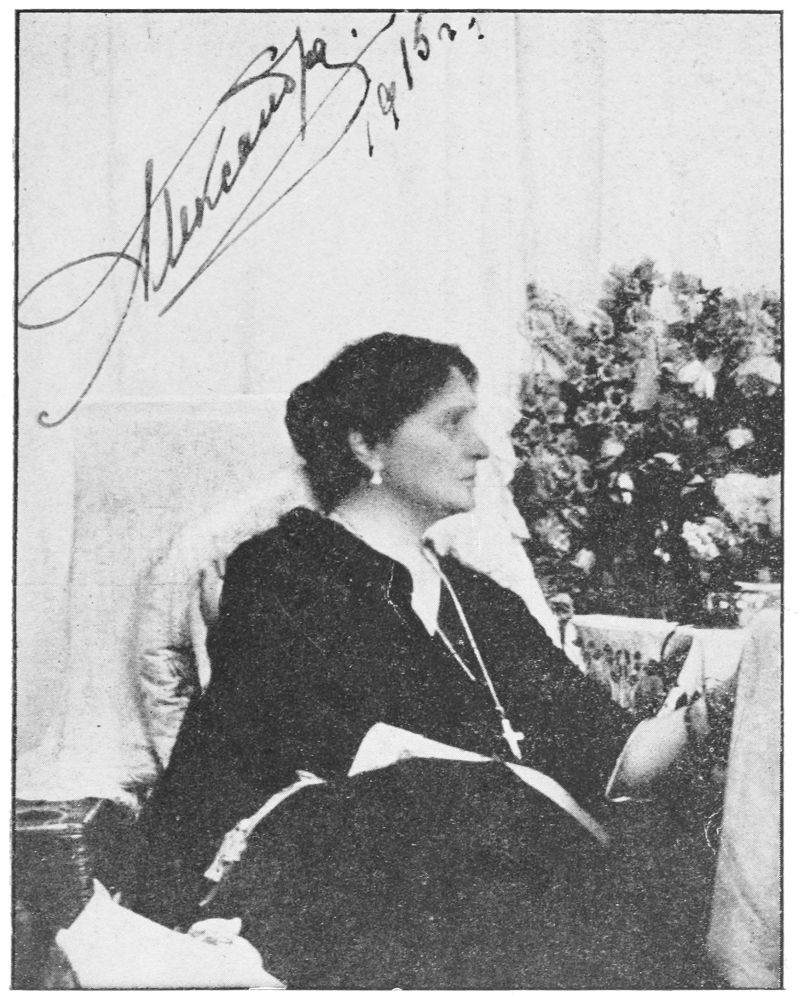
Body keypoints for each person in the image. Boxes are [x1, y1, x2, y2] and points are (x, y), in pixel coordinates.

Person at [133, 333, 717, 987]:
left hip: (471, 883)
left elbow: (611, 754)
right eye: (451, 423)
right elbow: (325, 751)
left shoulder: (483, 603)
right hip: (323, 876)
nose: (481, 447)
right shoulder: (285, 568)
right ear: (367, 444)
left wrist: (721, 706)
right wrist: (512, 789)